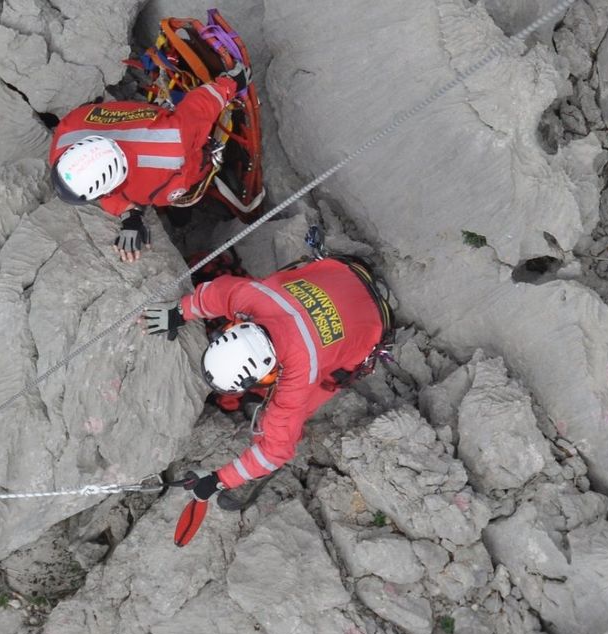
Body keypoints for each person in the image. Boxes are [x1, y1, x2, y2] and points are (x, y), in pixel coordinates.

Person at [142, 254, 393, 499]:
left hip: (375, 321)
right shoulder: (252, 298)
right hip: (343, 271)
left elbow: (275, 452)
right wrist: (179, 312)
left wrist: (220, 479)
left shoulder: (299, 376)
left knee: (319, 389)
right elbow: (215, 293)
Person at [48, 63, 250, 263]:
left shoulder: (172, 144)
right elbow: (109, 191)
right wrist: (130, 215)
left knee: (185, 205)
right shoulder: (65, 140)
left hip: (185, 165)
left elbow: (198, 109)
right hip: (147, 143)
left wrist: (229, 84)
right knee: (180, 217)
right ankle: (180, 215)